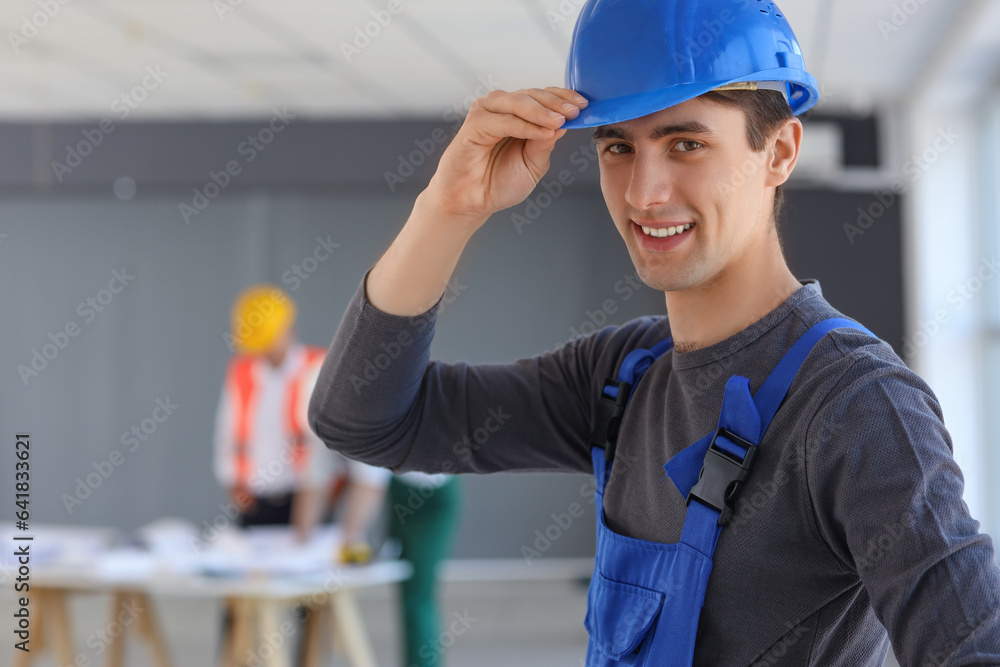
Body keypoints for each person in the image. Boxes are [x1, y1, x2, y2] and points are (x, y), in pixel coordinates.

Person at [307, 0, 1000, 664]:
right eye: (618, 148)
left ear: (781, 150)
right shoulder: (624, 375)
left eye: (686, 143)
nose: (644, 193)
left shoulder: (858, 406)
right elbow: (365, 418)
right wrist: (448, 207)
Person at [214, 284, 389, 665]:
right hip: (265, 503)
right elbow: (313, 466)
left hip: (385, 487)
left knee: (311, 602)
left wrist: (344, 537)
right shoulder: (247, 373)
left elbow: (367, 480)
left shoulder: (324, 381)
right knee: (243, 602)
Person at [388, 472, 461, 667]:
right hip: (400, 488)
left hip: (430, 495)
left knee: (418, 598)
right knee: (410, 595)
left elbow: (367, 484)